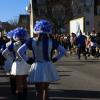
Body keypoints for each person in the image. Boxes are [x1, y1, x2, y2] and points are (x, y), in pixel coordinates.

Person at [17, 19, 66, 100]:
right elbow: (63, 51)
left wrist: (27, 60)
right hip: (48, 65)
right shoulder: (51, 41)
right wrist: (55, 59)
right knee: (46, 90)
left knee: (38, 91)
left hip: (37, 66)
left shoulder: (31, 41)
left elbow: (20, 51)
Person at [2, 27, 30, 100]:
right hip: (25, 63)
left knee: (18, 83)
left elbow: (4, 53)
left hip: (17, 63)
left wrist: (11, 59)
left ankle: (20, 98)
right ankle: (25, 97)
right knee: (24, 81)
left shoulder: (13, 44)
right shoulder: (27, 43)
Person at [2, 30, 16, 95]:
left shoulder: (7, 44)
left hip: (9, 61)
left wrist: (7, 58)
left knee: (11, 76)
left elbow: (2, 52)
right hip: (15, 61)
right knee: (16, 75)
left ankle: (13, 89)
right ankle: (16, 89)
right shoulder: (16, 43)